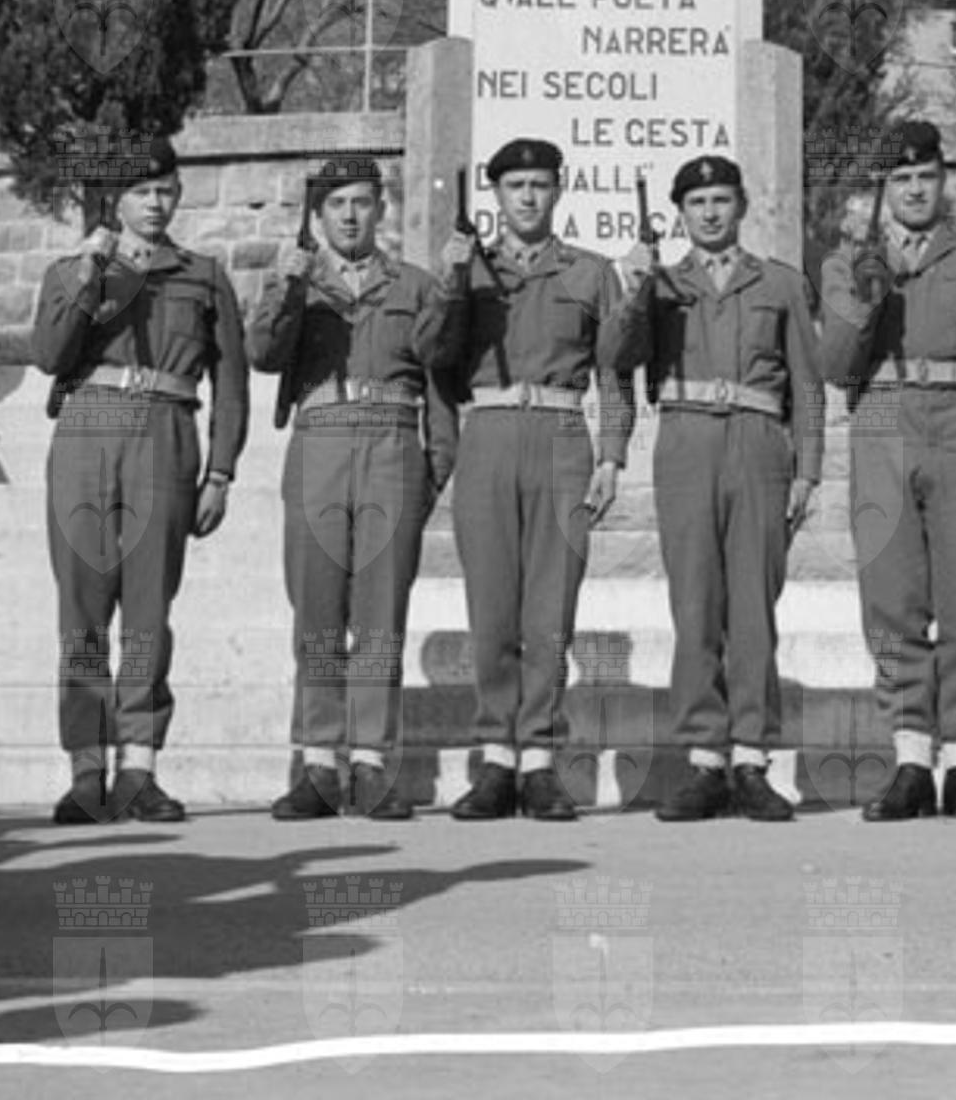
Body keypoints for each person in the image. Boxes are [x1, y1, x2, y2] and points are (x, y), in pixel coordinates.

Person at [817, 120, 956, 822]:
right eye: (901, 179)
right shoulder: (848, 263)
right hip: (881, 417)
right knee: (890, 597)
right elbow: (836, 367)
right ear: (883, 188)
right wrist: (866, 297)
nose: (914, 190)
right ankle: (911, 756)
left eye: (925, 177)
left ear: (944, 181)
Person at [32, 137, 247, 825]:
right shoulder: (72, 269)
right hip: (86, 432)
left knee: (149, 609)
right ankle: (85, 773)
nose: (156, 203)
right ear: (114, 201)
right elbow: (49, 354)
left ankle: (139, 770)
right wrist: (92, 270)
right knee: (82, 611)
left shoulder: (202, 276)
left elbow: (231, 382)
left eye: (165, 190)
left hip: (165, 432)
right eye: (141, 192)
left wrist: (221, 471)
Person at [608, 155, 824, 822]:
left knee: (753, 606)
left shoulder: (780, 284)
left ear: (742, 207)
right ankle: (705, 759)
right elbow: (618, 357)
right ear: (680, 213)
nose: (709, 212)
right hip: (687, 443)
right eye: (697, 202)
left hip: (759, 444)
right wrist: (634, 290)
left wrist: (808, 470)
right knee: (695, 603)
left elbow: (807, 385)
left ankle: (752, 757)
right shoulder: (661, 284)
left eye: (721, 199)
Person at [247, 155, 461, 822]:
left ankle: (370, 763)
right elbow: (262, 354)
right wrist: (287, 287)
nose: (349, 215)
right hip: (320, 441)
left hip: (392, 446)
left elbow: (441, 382)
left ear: (381, 210)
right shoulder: (297, 281)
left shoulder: (417, 286)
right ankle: (318, 765)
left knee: (379, 614)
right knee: (316, 610)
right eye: (336, 203)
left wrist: (433, 470)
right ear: (318, 216)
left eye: (362, 202)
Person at [433, 137, 635, 822]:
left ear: (558, 190)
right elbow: (435, 355)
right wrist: (452, 280)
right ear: (495, 194)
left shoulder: (590, 272)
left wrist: (611, 456)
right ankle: (497, 757)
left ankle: (541, 760)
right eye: (515, 185)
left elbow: (614, 371)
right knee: (491, 608)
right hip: (489, 435)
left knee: (550, 609)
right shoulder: (469, 269)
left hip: (560, 437)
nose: (527, 196)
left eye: (539, 184)